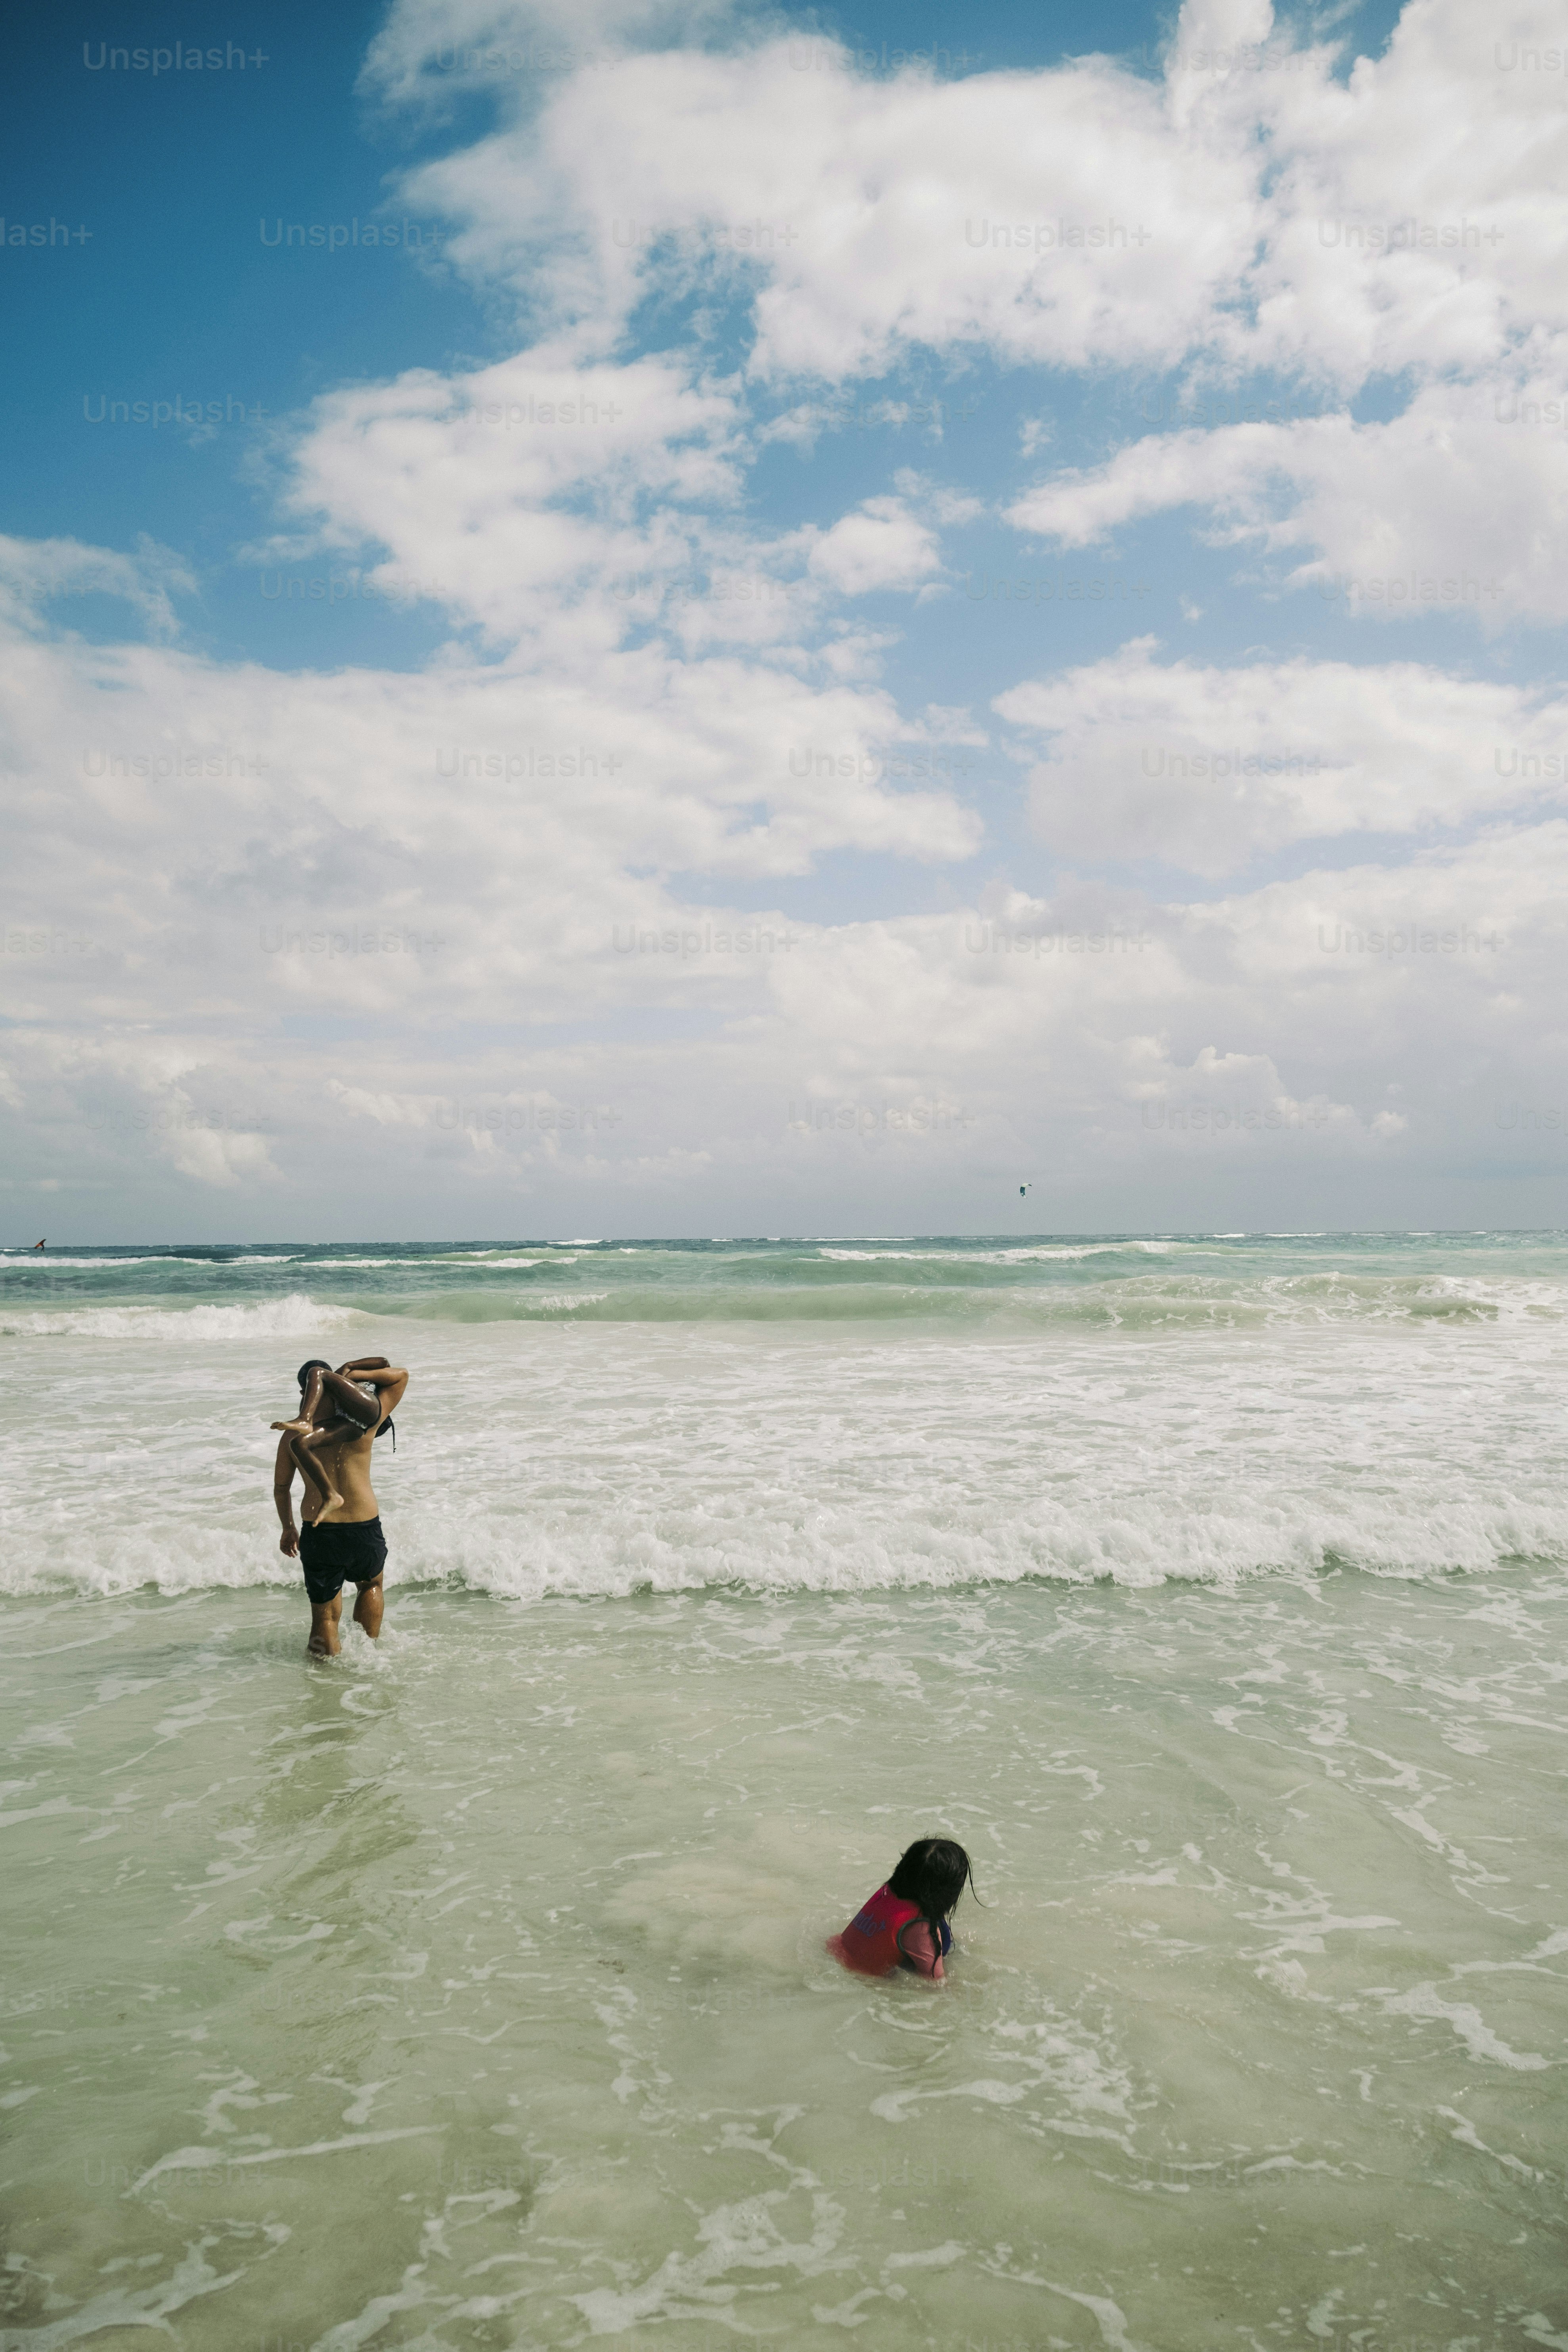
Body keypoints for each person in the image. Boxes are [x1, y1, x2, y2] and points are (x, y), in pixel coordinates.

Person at [273, 1355, 408, 1659]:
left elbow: (282, 1488)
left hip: (319, 1529)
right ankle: (368, 1655)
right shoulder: (363, 1424)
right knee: (370, 1585)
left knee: (324, 1615)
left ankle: (323, 1680)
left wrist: (288, 1527)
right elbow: (397, 1376)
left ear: (305, 1394)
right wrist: (349, 1373)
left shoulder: (293, 1435)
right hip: (364, 1524)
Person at [827, 1837, 979, 1982]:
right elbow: (934, 1984)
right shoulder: (921, 1927)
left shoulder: (889, 1893)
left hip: (834, 1954)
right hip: (860, 1980)